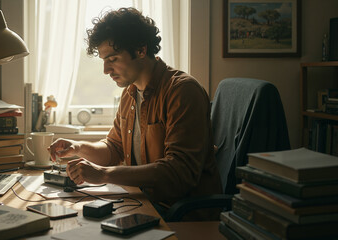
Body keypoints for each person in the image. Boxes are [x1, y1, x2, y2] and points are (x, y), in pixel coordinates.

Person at [48, 7, 222, 220]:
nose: (105, 70)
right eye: (104, 60)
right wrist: (78, 148)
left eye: (112, 59)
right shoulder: (130, 94)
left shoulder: (182, 91)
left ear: (141, 50)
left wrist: (103, 174)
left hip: (182, 215)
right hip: (145, 204)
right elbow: (114, 147)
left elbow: (179, 172)